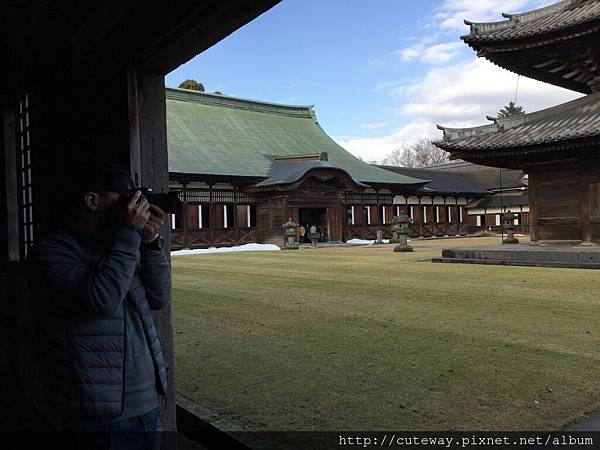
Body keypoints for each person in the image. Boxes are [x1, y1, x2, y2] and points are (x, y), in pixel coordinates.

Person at [27, 159, 170, 449]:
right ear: (91, 200)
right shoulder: (51, 253)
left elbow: (159, 297)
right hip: (98, 417)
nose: (132, 207)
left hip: (147, 405)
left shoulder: (121, 246)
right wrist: (129, 236)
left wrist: (150, 241)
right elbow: (101, 301)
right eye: (124, 199)